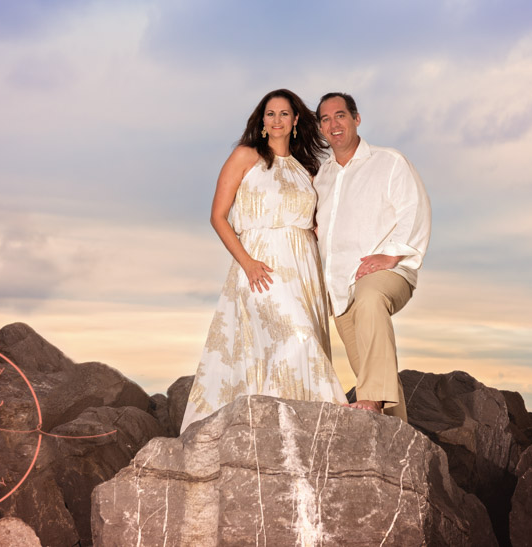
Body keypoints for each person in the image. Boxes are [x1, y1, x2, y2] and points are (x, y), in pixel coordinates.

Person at [180, 89, 348, 432]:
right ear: (261, 120)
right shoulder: (246, 156)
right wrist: (247, 262)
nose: (277, 120)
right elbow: (218, 216)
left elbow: (320, 223)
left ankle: (295, 431)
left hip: (303, 267)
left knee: (293, 341)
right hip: (261, 265)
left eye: (284, 114)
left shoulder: (307, 169)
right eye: (270, 114)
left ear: (296, 120)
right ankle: (299, 425)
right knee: (295, 337)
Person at [314, 92, 431, 421]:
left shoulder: (389, 162)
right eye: (325, 119)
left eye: (340, 116)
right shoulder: (321, 177)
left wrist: (391, 254)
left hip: (387, 274)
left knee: (369, 301)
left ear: (356, 119)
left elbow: (414, 209)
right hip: (340, 290)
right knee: (373, 369)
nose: (334, 124)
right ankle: (399, 447)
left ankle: (372, 399)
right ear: (321, 128)